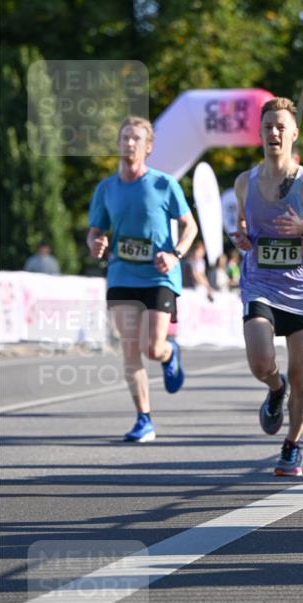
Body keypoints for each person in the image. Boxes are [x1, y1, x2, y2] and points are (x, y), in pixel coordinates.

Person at [232, 96, 303, 476]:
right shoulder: (244, 183)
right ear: (260, 134)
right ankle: (274, 388)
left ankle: (292, 445)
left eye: (281, 127)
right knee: (261, 361)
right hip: (260, 284)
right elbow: (245, 229)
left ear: (294, 134)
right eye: (268, 127)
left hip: (300, 293)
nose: (274, 133)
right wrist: (242, 239)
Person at [87, 116, 198, 442]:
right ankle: (144, 418)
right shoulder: (106, 188)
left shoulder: (165, 184)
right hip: (122, 271)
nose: (129, 143)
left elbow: (190, 226)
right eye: (125, 137)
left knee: (152, 348)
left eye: (136, 138)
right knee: (130, 347)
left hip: (159, 275)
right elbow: (96, 229)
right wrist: (95, 241)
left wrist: (175, 254)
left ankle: (169, 353)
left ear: (148, 147)